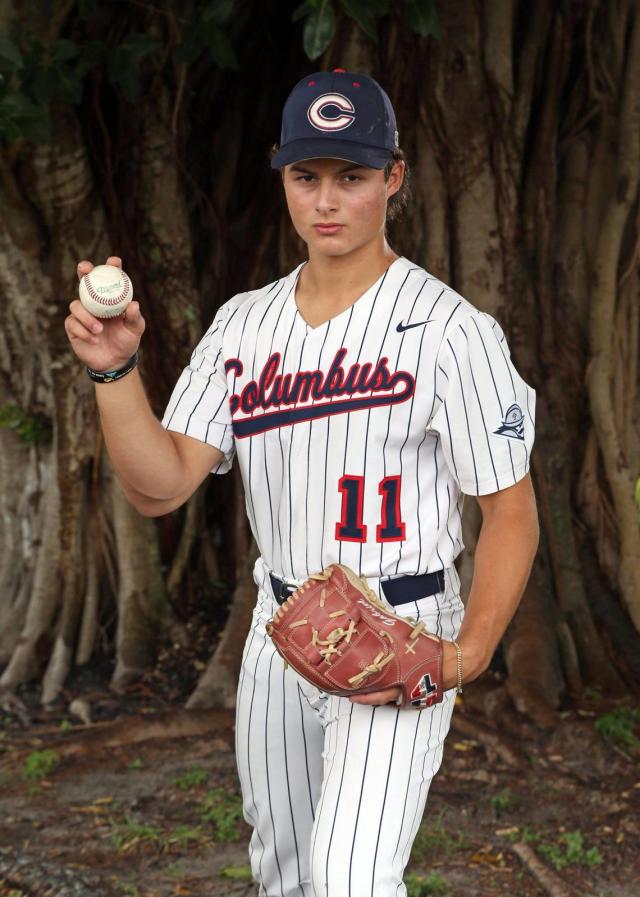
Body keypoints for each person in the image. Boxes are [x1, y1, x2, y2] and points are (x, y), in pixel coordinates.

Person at [66, 69, 539, 897]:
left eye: (352, 176)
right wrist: (116, 373)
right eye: (307, 176)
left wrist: (467, 652)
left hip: (399, 624)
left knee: (349, 877)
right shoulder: (243, 323)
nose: (328, 201)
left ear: (393, 177)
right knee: (284, 876)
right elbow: (158, 486)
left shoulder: (453, 331)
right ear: (282, 174)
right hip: (280, 627)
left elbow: (511, 512)